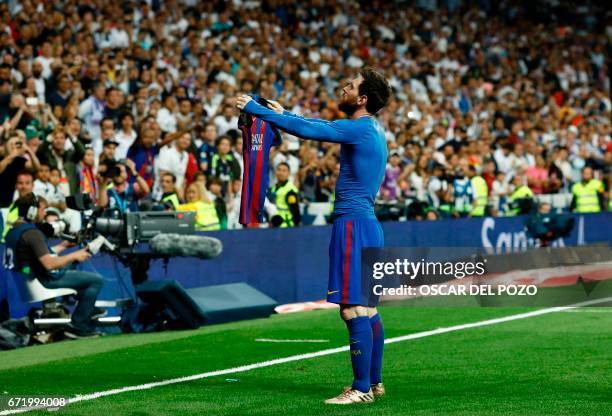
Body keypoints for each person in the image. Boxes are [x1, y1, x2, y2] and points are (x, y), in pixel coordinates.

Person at [236, 67, 391, 404]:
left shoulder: (360, 128)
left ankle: (360, 389)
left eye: (351, 86)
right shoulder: (374, 129)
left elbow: (313, 130)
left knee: (352, 309)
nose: (344, 88)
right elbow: (318, 125)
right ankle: (375, 383)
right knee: (368, 309)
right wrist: (284, 114)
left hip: (353, 226)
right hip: (368, 225)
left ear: (362, 99)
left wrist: (255, 109)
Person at [3, 193, 103, 338]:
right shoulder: (32, 233)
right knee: (96, 280)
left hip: (28, 279)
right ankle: (79, 325)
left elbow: (35, 257)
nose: (44, 214)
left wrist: (63, 246)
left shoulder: (13, 232)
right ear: (32, 211)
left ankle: (86, 309)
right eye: (42, 210)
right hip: (43, 280)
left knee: (77, 273)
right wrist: (75, 255)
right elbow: (48, 264)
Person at [268, 162, 300, 227]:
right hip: (274, 224)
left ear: (288, 174)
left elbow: (296, 211)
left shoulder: (290, 190)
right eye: (279, 170)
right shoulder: (272, 189)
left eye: (284, 171)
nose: (281, 173)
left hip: (286, 225)